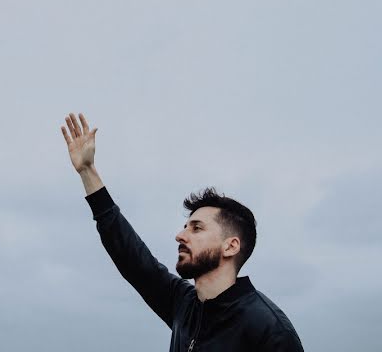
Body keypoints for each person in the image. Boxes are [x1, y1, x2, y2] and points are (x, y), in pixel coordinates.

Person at [60, 112, 304, 352]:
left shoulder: (270, 331)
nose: (180, 235)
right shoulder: (184, 303)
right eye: (185, 226)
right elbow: (131, 257)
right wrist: (87, 171)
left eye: (197, 228)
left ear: (230, 246)